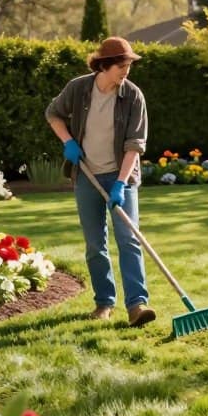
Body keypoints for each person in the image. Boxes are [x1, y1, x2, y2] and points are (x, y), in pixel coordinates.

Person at [45, 36, 157, 326]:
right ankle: (104, 302)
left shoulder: (133, 96)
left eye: (129, 65)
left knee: (129, 240)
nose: (126, 71)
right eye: (122, 65)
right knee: (95, 243)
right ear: (105, 65)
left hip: (121, 177)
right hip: (87, 175)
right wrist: (68, 140)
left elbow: (134, 145)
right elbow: (53, 114)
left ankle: (137, 305)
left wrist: (121, 184)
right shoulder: (79, 88)